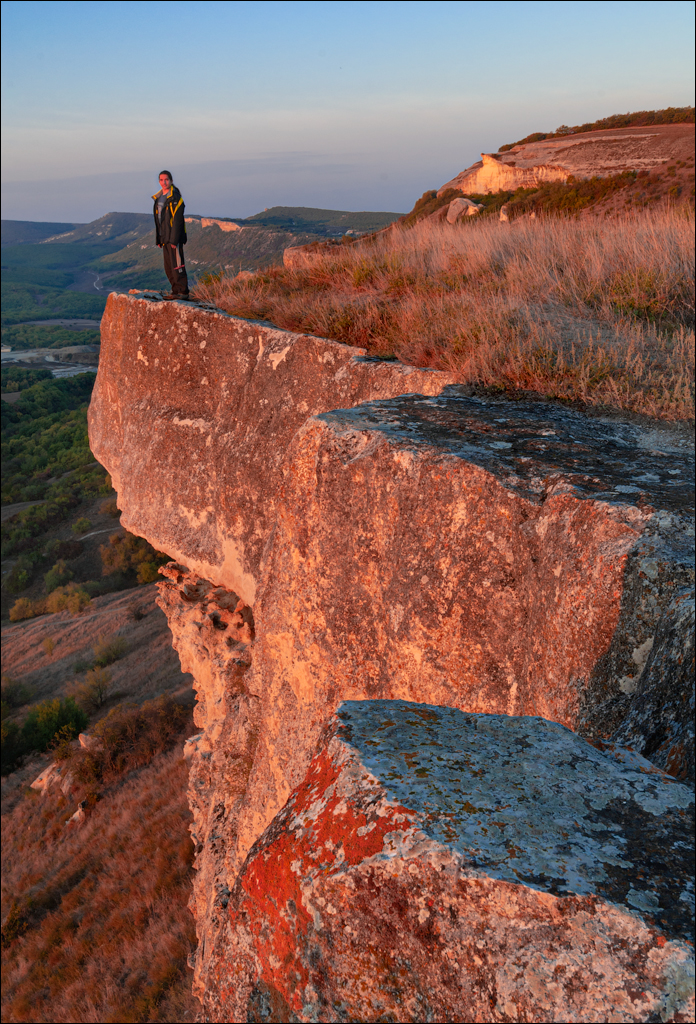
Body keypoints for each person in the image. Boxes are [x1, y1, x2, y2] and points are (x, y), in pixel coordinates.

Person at [153, 170, 190, 299]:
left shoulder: (175, 198)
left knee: (177, 265)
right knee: (168, 266)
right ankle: (175, 291)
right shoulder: (158, 199)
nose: (164, 182)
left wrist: (174, 240)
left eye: (166, 179)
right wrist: (159, 239)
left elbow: (178, 221)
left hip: (174, 239)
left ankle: (182, 292)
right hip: (165, 239)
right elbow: (159, 221)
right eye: (162, 180)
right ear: (159, 182)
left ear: (171, 181)